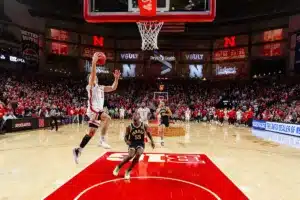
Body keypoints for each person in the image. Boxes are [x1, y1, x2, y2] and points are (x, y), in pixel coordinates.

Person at [73, 52, 121, 164]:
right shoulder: (90, 86)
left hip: (97, 111)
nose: (93, 77)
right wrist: (94, 62)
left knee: (91, 133)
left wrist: (117, 78)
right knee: (108, 118)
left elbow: (113, 87)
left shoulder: (101, 87)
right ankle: (102, 140)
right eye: (91, 77)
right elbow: (93, 74)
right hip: (93, 110)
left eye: (94, 77)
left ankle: (78, 150)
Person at [113, 112, 155, 179]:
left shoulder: (144, 125)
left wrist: (152, 141)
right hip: (132, 143)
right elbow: (125, 137)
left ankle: (128, 171)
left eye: (136, 119)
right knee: (130, 156)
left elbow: (149, 133)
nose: (135, 121)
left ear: (139, 118)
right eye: (134, 119)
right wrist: (127, 141)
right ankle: (118, 167)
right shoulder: (129, 127)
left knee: (138, 154)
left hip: (141, 143)